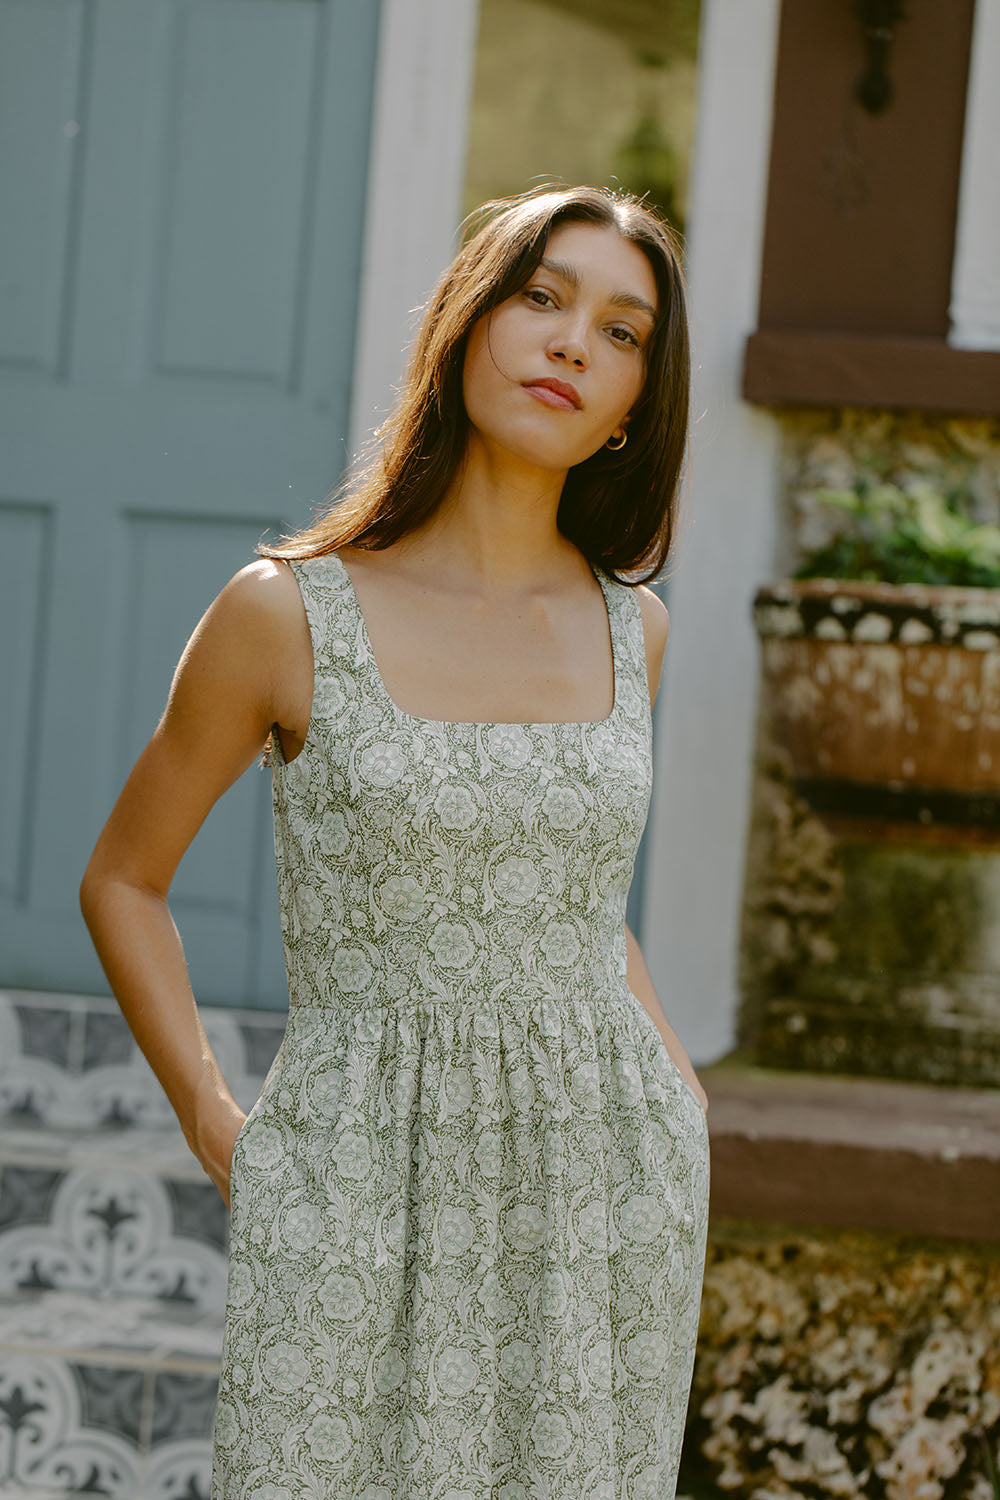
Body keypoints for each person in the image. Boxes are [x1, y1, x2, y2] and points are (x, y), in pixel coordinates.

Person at [80, 182, 711, 1499]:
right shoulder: (285, 614)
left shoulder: (634, 631)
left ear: (631, 407)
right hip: (358, 1177)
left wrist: (680, 1096)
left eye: (621, 332)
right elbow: (124, 880)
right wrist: (212, 1116)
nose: (572, 342)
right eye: (541, 298)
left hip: (603, 1186)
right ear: (466, 323)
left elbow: (584, 902)